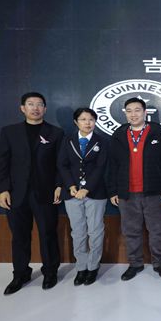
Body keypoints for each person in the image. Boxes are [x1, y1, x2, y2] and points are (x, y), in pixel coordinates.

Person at [0, 92, 64, 295]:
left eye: (39, 104)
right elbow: (2, 163)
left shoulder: (56, 133)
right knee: (19, 236)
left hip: (46, 192)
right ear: (22, 108)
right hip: (16, 193)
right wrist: (3, 189)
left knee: (48, 233)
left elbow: (61, 163)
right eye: (31, 104)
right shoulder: (9, 132)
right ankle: (20, 274)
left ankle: (50, 272)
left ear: (45, 108)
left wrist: (59, 185)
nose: (35, 108)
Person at [108, 98, 161, 281]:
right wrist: (113, 190)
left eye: (137, 110)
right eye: (129, 111)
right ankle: (135, 264)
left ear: (145, 112)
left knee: (157, 230)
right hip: (127, 192)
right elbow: (112, 165)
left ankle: (159, 263)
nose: (133, 114)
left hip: (152, 191)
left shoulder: (156, 132)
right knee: (131, 231)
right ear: (125, 113)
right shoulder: (119, 134)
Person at [57, 107, 108, 286]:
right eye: (83, 119)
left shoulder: (102, 141)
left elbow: (101, 167)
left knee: (95, 231)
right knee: (78, 232)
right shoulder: (67, 140)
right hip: (72, 193)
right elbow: (62, 165)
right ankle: (81, 267)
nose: (88, 123)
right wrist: (71, 186)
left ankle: (93, 267)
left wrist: (86, 189)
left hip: (96, 193)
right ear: (76, 122)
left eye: (91, 119)